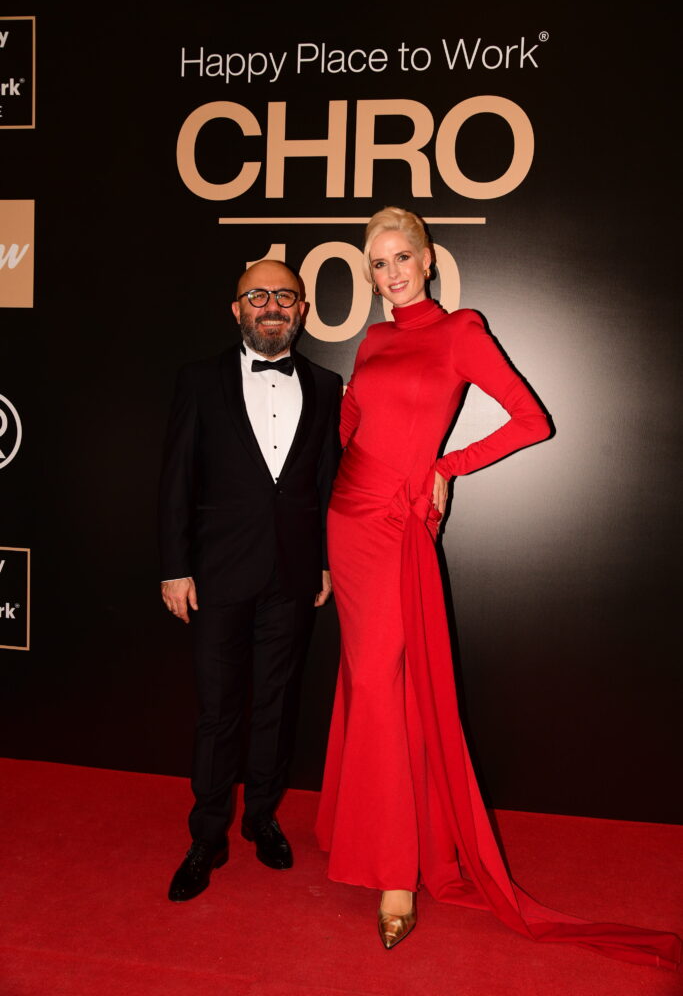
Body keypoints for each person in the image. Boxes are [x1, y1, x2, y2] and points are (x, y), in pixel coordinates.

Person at [315, 207, 681, 968]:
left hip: (398, 524)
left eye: (401, 257)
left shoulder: (462, 332)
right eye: (377, 262)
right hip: (348, 519)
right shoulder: (373, 339)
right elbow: (349, 424)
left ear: (427, 259)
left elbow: (529, 420)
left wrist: (445, 468)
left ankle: (396, 875)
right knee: (368, 681)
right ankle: (363, 835)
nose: (390, 272)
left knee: (385, 685)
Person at [160, 259, 341, 902]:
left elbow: (327, 481)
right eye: (257, 296)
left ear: (302, 309)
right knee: (218, 711)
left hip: (293, 572)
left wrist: (325, 560)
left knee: (276, 704)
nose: (271, 306)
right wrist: (175, 566)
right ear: (236, 309)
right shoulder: (198, 379)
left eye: (284, 296)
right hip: (217, 573)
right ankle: (207, 836)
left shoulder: (327, 384)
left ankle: (262, 817)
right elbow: (177, 478)